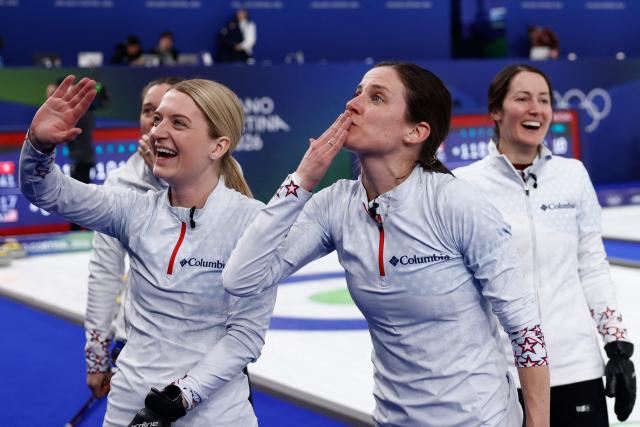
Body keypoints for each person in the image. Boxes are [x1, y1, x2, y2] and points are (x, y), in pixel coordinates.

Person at [223, 61, 551, 426]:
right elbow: (241, 279)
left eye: (376, 97)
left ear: (415, 132)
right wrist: (300, 181)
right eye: (357, 93)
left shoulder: (456, 203)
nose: (353, 105)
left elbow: (526, 330)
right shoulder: (335, 206)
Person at [20, 75, 276, 426]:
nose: (156, 130)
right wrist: (38, 145)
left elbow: (245, 337)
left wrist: (176, 399)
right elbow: (46, 191)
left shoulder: (254, 221)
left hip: (214, 414)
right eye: (156, 118)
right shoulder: (132, 208)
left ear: (217, 147)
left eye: (178, 122)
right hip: (128, 405)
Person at [454, 63, 636, 426]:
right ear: (495, 110)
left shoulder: (573, 175)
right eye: (522, 99)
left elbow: (592, 265)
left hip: (575, 366)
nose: (536, 108)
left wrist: (617, 347)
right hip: (500, 373)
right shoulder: (465, 185)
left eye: (544, 100)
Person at [84, 77, 183, 399]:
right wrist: (97, 354)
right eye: (149, 112)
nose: (156, 122)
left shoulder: (220, 177)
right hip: (137, 346)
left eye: (169, 114)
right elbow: (105, 272)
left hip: (204, 349)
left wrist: (171, 183)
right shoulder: (119, 185)